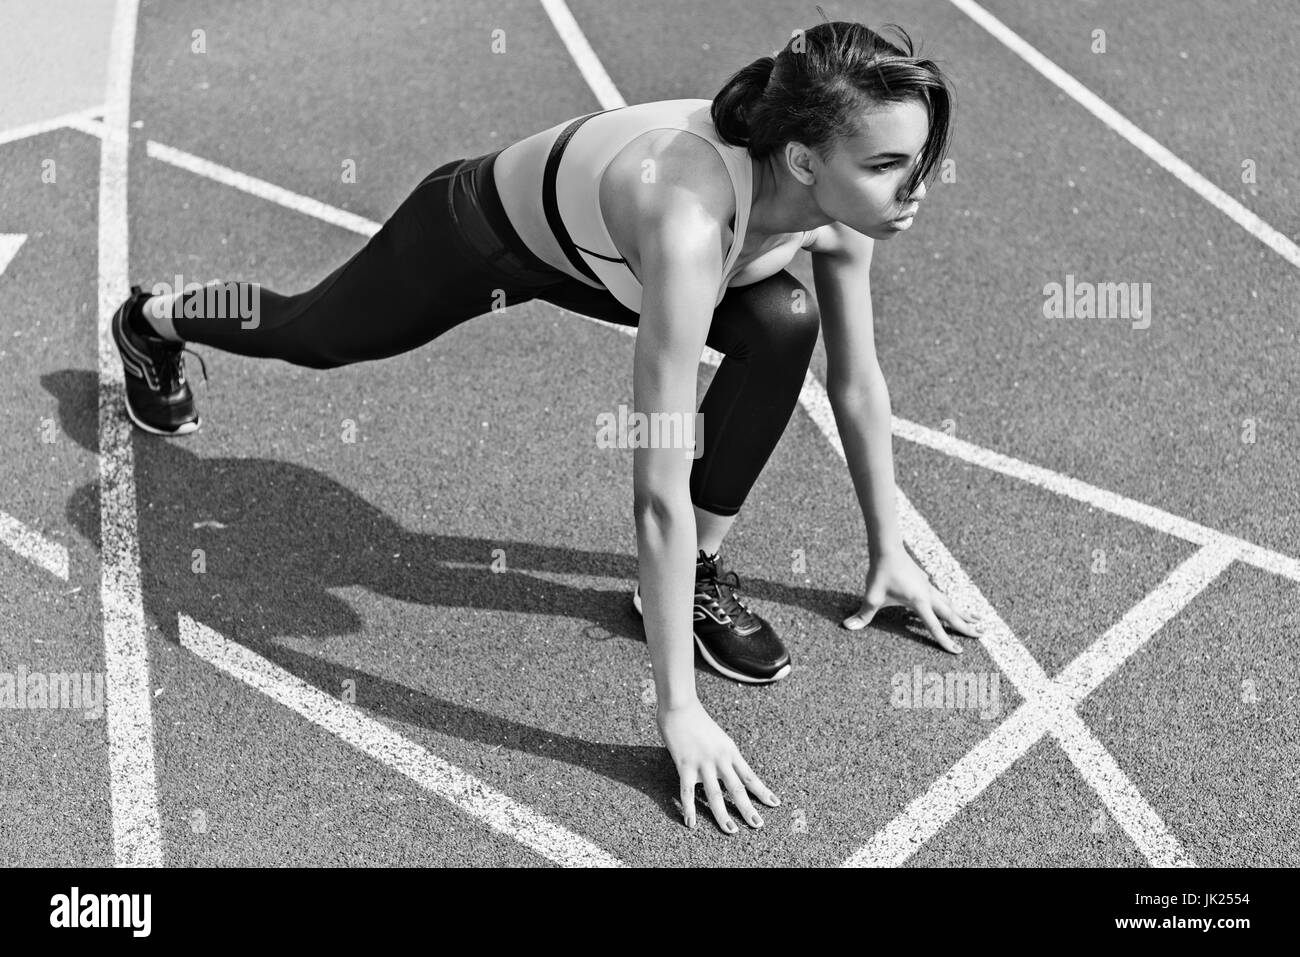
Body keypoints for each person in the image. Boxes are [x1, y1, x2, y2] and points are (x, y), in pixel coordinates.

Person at [111, 19, 984, 835]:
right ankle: (159, 317)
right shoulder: (688, 224)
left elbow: (858, 384)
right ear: (801, 156)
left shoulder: (839, 214)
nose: (914, 187)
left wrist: (889, 548)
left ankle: (684, 584)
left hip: (605, 250)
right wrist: (677, 711)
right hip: (484, 233)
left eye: (918, 161)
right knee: (317, 333)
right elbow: (656, 491)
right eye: (888, 164)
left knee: (785, 318)